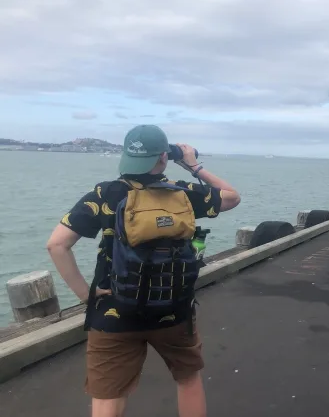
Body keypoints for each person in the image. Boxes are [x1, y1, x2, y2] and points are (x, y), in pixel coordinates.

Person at [46, 124, 241, 417]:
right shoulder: (183, 194)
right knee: (187, 379)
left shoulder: (105, 193)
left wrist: (86, 294)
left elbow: (57, 245)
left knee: (109, 393)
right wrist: (193, 165)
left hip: (114, 308)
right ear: (164, 158)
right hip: (173, 308)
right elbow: (231, 197)